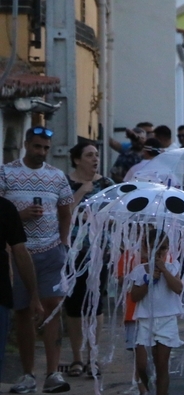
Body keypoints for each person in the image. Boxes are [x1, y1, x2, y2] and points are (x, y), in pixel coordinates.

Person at [1, 126, 74, 394]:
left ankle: (53, 374)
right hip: (19, 252)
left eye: (45, 148)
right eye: (37, 147)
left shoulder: (56, 177)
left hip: (51, 250)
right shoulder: (6, 172)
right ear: (26, 144)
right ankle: (27, 373)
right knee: (23, 311)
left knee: (52, 307)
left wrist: (64, 244)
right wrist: (20, 216)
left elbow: (66, 211)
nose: (41, 152)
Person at [64, 142, 114, 377]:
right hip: (72, 251)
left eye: (96, 155)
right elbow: (61, 213)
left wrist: (101, 218)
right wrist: (82, 191)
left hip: (98, 251)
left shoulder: (107, 185)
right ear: (77, 160)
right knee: (73, 304)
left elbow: (118, 215)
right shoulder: (65, 182)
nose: (95, 159)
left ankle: (93, 357)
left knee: (95, 302)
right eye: (89, 155)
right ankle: (76, 358)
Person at [129, 229, 184, 395]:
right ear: (146, 248)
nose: (159, 254)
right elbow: (134, 296)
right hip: (145, 319)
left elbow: (178, 288)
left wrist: (164, 270)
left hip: (167, 319)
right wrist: (149, 279)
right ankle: (147, 392)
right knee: (142, 363)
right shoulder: (139, 270)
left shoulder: (173, 267)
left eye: (163, 250)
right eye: (155, 249)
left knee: (161, 363)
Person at [0, 196, 41, 391]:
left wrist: (33, 293)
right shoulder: (5, 207)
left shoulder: (5, 207)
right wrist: (33, 293)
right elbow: (19, 251)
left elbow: (20, 251)